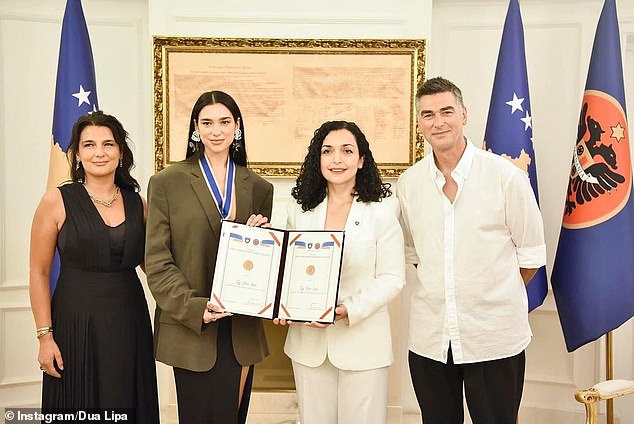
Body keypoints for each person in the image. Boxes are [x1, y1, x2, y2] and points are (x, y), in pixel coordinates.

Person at [396, 76, 547, 424]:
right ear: (419, 123)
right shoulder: (409, 185)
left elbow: (530, 256)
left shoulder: (506, 177)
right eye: (428, 114)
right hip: (431, 340)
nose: (438, 122)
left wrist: (488, 293)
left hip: (492, 337)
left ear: (464, 114)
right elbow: (415, 255)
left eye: (447, 111)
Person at [145, 90, 273, 424]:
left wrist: (258, 239)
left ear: (237, 127)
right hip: (191, 328)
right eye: (207, 122)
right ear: (195, 129)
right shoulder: (166, 183)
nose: (216, 130)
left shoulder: (259, 187)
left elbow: (262, 265)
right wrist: (195, 307)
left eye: (224, 122)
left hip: (241, 329)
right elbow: (157, 261)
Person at [29, 111, 159, 422]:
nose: (99, 152)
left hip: (129, 323)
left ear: (121, 152)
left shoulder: (137, 202)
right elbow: (39, 272)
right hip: (75, 325)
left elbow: (153, 265)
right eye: (89, 145)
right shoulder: (56, 200)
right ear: (76, 154)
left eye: (108, 144)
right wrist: (45, 337)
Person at [276, 121, 405, 424]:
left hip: (363, 344)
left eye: (347, 151)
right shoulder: (300, 210)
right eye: (328, 152)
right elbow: (289, 268)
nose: (337, 160)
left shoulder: (383, 210)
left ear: (361, 160)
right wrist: (280, 301)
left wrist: (348, 309)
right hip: (308, 345)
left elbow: (392, 277)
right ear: (317, 159)